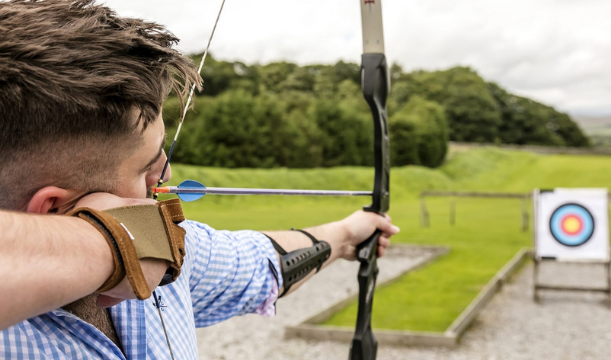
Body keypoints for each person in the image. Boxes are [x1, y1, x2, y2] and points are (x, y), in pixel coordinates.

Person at [0, 0, 399, 359]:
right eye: (147, 168)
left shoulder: (160, 248)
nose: (166, 174)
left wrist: (348, 234)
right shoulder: (141, 239)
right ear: (53, 208)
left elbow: (261, 263)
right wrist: (110, 244)